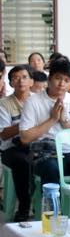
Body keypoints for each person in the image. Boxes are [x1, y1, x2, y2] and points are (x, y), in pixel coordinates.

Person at [19, 58, 70, 186]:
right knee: (51, 168)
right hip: (44, 153)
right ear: (50, 78)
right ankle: (53, 205)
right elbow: (24, 138)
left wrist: (66, 121)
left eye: (67, 80)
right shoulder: (33, 102)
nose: (61, 83)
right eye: (58, 78)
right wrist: (52, 120)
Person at [0, 65, 34, 220]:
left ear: (32, 81)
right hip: (11, 149)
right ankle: (24, 207)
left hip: (35, 145)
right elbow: (4, 134)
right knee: (22, 162)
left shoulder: (37, 100)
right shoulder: (4, 104)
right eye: (16, 78)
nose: (21, 81)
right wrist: (24, 124)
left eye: (24, 77)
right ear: (11, 83)